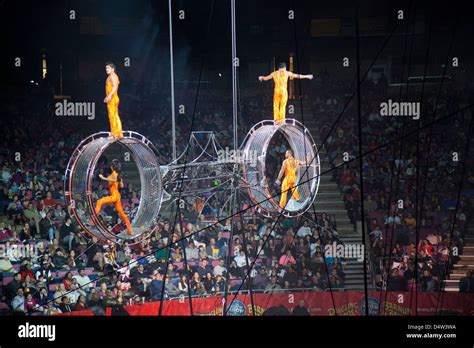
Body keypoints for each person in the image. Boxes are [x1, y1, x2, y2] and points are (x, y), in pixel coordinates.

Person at [93, 159, 133, 235]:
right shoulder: (117, 174)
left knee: (99, 202)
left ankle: (93, 221)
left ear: (112, 167)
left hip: (114, 195)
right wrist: (119, 180)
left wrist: (103, 178)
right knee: (122, 213)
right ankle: (130, 230)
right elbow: (122, 185)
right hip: (117, 196)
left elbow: (114, 179)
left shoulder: (114, 174)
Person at [104, 61, 124, 139]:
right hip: (111, 98)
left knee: (113, 116)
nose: (106, 69)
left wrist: (109, 96)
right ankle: (117, 133)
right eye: (106, 68)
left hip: (113, 98)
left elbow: (115, 87)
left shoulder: (113, 76)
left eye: (108, 68)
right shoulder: (110, 76)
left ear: (113, 69)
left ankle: (115, 134)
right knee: (114, 116)